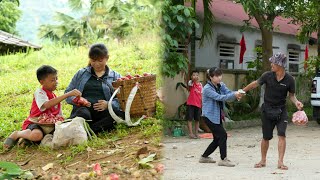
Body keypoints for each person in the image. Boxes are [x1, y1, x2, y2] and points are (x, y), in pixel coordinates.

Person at [242, 52, 303, 170]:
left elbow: (291, 96)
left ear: (280, 64)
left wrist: (297, 102)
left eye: (273, 62)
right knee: (266, 137)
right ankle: (263, 160)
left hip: (281, 111)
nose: (271, 64)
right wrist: (242, 91)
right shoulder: (267, 75)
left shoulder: (290, 79)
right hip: (267, 110)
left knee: (282, 135)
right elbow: (255, 84)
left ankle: (280, 162)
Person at [3, 65, 81, 150]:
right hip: (35, 123)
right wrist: (68, 94)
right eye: (52, 80)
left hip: (50, 126)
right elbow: (47, 104)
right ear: (42, 82)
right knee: (37, 135)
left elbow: (59, 116)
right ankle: (17, 134)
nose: (56, 82)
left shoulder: (54, 96)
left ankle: (27, 140)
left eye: (56, 79)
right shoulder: (40, 92)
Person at [65, 43, 124, 133]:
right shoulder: (81, 73)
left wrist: (108, 104)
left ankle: (87, 130)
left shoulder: (115, 76)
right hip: (83, 110)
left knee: (116, 117)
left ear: (107, 58)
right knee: (83, 114)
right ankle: (89, 130)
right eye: (93, 60)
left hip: (103, 113)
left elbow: (123, 99)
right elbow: (68, 93)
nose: (96, 64)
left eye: (100, 61)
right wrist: (78, 100)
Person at [199, 67, 242, 167]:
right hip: (209, 116)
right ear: (210, 77)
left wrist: (237, 93)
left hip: (217, 115)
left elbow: (228, 93)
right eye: (216, 76)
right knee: (222, 135)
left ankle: (204, 157)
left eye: (220, 75)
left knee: (217, 138)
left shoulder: (221, 85)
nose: (219, 78)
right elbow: (220, 97)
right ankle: (223, 159)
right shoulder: (207, 89)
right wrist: (234, 95)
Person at [186, 70, 202, 139]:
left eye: (197, 75)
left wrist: (202, 103)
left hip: (198, 104)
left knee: (197, 119)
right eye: (194, 75)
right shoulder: (191, 83)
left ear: (199, 76)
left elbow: (202, 94)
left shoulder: (201, 85)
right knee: (189, 119)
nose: (195, 76)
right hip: (191, 103)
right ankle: (191, 134)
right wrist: (193, 80)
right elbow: (190, 85)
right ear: (191, 76)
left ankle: (196, 133)